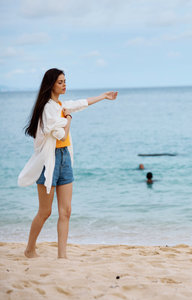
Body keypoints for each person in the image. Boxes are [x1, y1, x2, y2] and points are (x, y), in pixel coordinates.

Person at [18, 68, 118, 259]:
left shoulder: (60, 105)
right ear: (51, 85)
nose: (64, 85)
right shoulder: (48, 108)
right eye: (60, 82)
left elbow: (80, 103)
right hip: (49, 161)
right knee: (45, 211)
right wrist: (69, 119)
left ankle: (62, 256)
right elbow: (59, 134)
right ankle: (30, 249)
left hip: (64, 159)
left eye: (65, 81)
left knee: (66, 211)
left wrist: (103, 96)